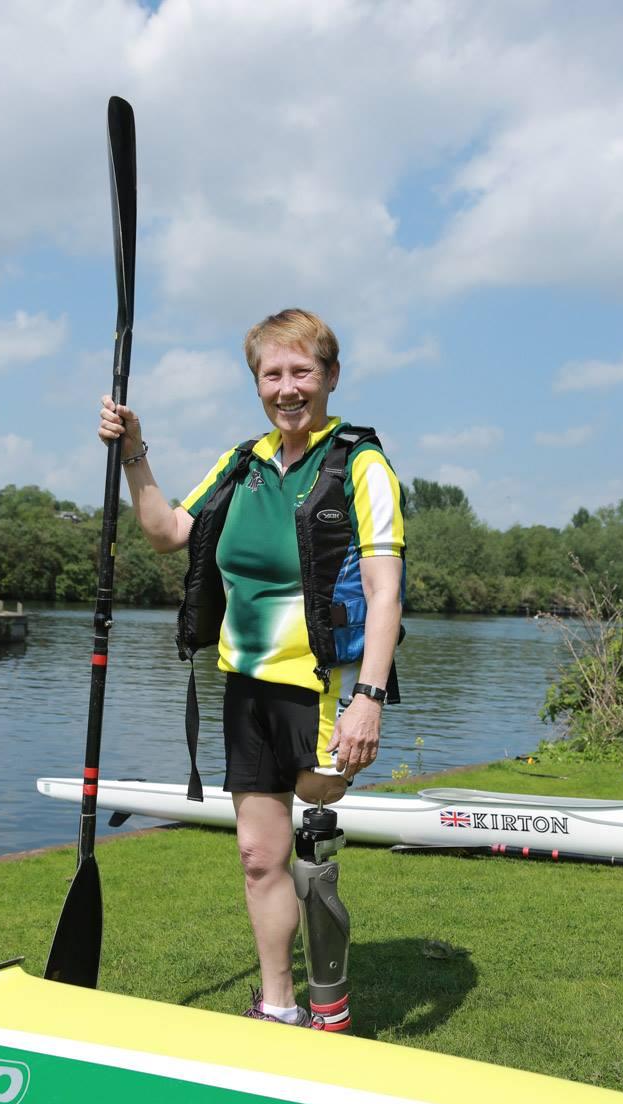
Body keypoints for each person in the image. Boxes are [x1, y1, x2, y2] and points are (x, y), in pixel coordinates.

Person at [99, 309, 404, 1027]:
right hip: (245, 689)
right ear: (258, 383)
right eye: (273, 374)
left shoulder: (361, 465)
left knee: (318, 811)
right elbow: (169, 532)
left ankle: (330, 997)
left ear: (329, 377)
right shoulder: (242, 463)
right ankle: (279, 1006)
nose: (288, 388)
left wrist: (370, 697)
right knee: (257, 858)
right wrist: (134, 453)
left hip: (324, 687)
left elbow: (387, 591)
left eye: (302, 372)